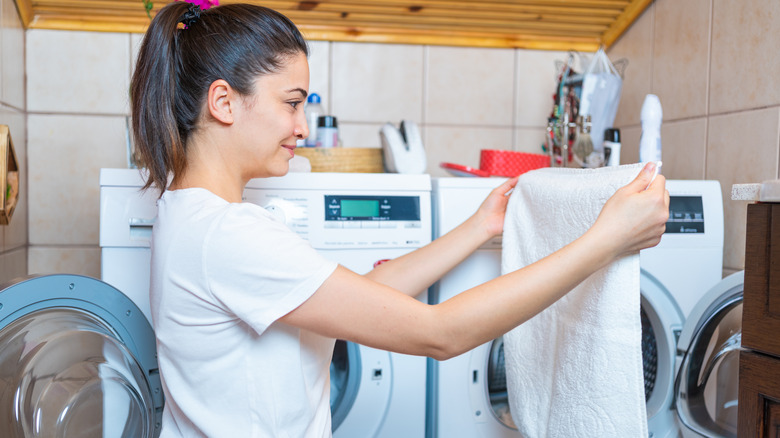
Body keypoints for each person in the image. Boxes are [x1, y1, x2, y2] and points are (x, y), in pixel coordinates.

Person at [130, 2, 670, 437]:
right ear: (223, 102)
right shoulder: (231, 235)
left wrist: (478, 226)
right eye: (292, 102)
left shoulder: (191, 215)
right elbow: (441, 334)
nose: (302, 126)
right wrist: (606, 240)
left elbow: (363, 295)